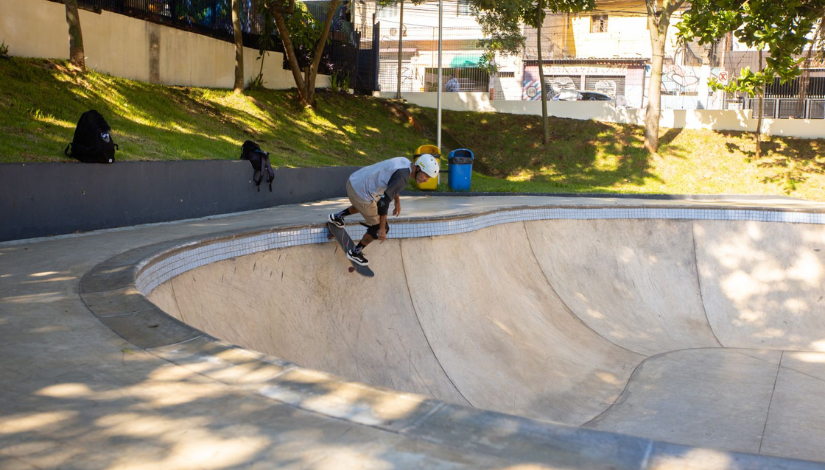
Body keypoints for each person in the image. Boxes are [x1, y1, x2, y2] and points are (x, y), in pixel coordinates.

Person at [328, 154, 440, 266]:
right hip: (360, 193)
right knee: (381, 226)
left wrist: (397, 202)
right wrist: (381, 229)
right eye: (426, 176)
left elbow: (392, 184)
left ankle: (337, 217)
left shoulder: (404, 162)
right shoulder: (403, 178)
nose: (426, 180)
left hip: (354, 181)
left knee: (372, 203)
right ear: (419, 168)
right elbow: (383, 203)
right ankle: (355, 253)